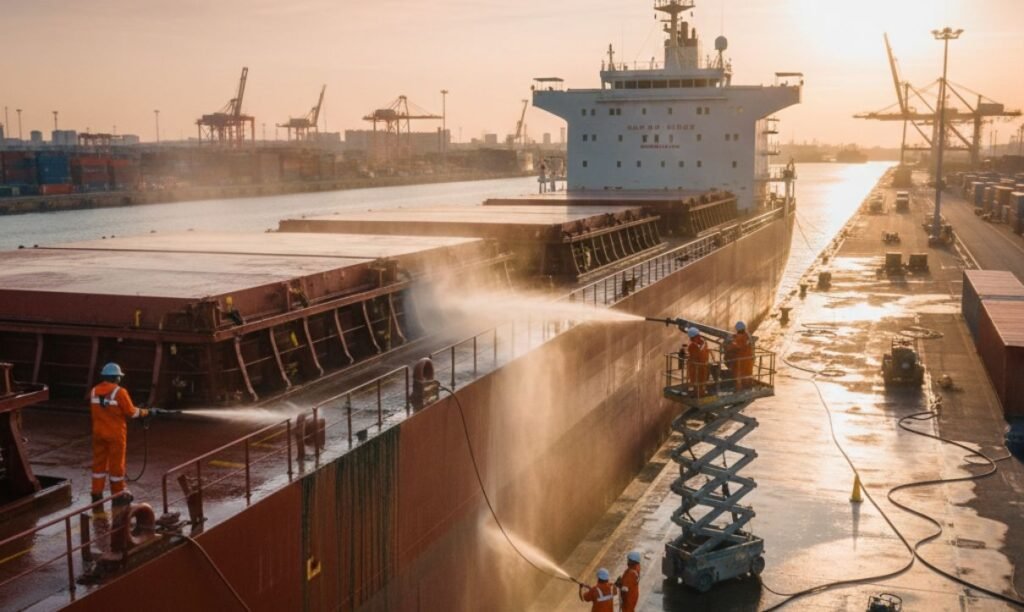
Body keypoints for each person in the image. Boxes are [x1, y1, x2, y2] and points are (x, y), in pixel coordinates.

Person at [90, 362, 148, 515]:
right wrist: (144, 412)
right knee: (116, 465)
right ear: (116, 377)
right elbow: (131, 412)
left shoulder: (94, 391)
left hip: (98, 434)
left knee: (99, 464)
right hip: (115, 435)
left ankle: (96, 493)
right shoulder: (120, 392)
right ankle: (118, 495)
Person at [727, 321, 755, 389]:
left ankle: (739, 388)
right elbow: (742, 340)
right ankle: (748, 386)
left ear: (738, 329)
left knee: (739, 375)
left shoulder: (739, 339)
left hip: (741, 361)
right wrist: (734, 336)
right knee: (748, 374)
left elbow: (734, 346)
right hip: (749, 360)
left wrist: (729, 344)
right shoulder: (747, 335)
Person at [686, 327, 710, 397]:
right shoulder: (692, 346)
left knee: (701, 380)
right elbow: (700, 355)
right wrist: (703, 345)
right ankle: (699, 393)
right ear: (695, 337)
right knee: (697, 380)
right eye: (698, 336)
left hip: (699, 367)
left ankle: (700, 392)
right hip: (696, 367)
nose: (700, 337)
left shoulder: (698, 344)